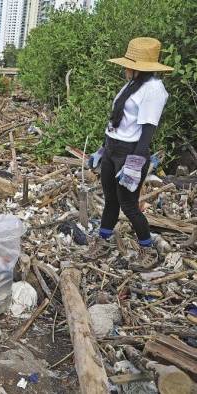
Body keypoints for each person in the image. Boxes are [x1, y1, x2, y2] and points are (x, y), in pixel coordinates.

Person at [87, 37, 173, 272]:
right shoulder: (133, 83)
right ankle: (103, 241)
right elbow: (120, 123)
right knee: (110, 200)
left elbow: (147, 131)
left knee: (129, 204)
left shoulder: (154, 89)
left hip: (131, 152)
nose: (125, 68)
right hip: (113, 149)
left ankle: (148, 249)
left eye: (128, 64)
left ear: (138, 67)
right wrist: (102, 149)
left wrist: (134, 164)